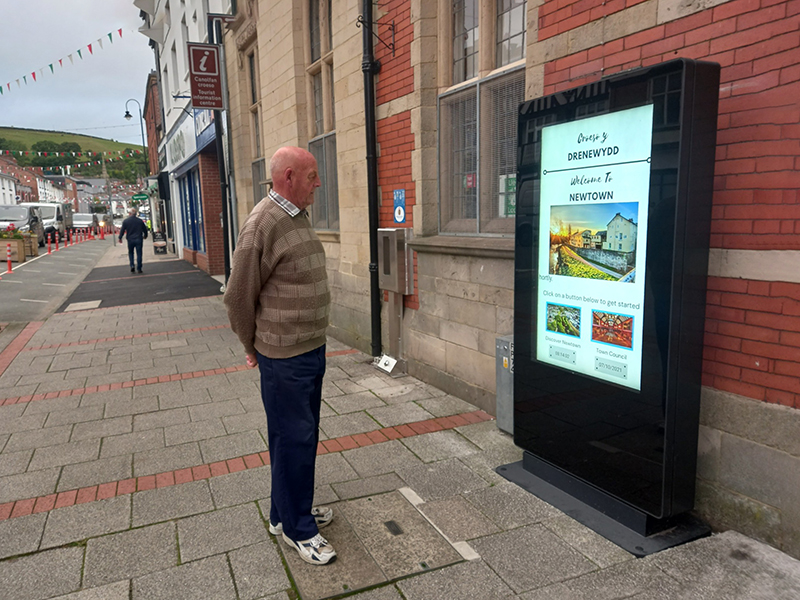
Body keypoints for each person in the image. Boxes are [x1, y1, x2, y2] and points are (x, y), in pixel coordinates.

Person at [224, 146, 335, 566]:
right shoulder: (263, 223)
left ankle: (284, 513)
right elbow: (237, 295)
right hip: (284, 359)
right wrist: (251, 347)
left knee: (294, 437)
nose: (318, 183)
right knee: (295, 438)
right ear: (289, 176)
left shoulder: (294, 215)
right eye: (312, 176)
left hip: (308, 350)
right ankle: (298, 530)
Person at [119, 208, 148, 273]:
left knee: (131, 253)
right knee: (139, 253)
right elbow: (144, 229)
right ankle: (139, 268)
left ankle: (132, 265)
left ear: (129, 214)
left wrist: (120, 238)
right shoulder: (140, 221)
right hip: (138, 239)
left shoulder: (126, 221)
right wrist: (145, 235)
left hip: (130, 239)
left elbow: (122, 230)